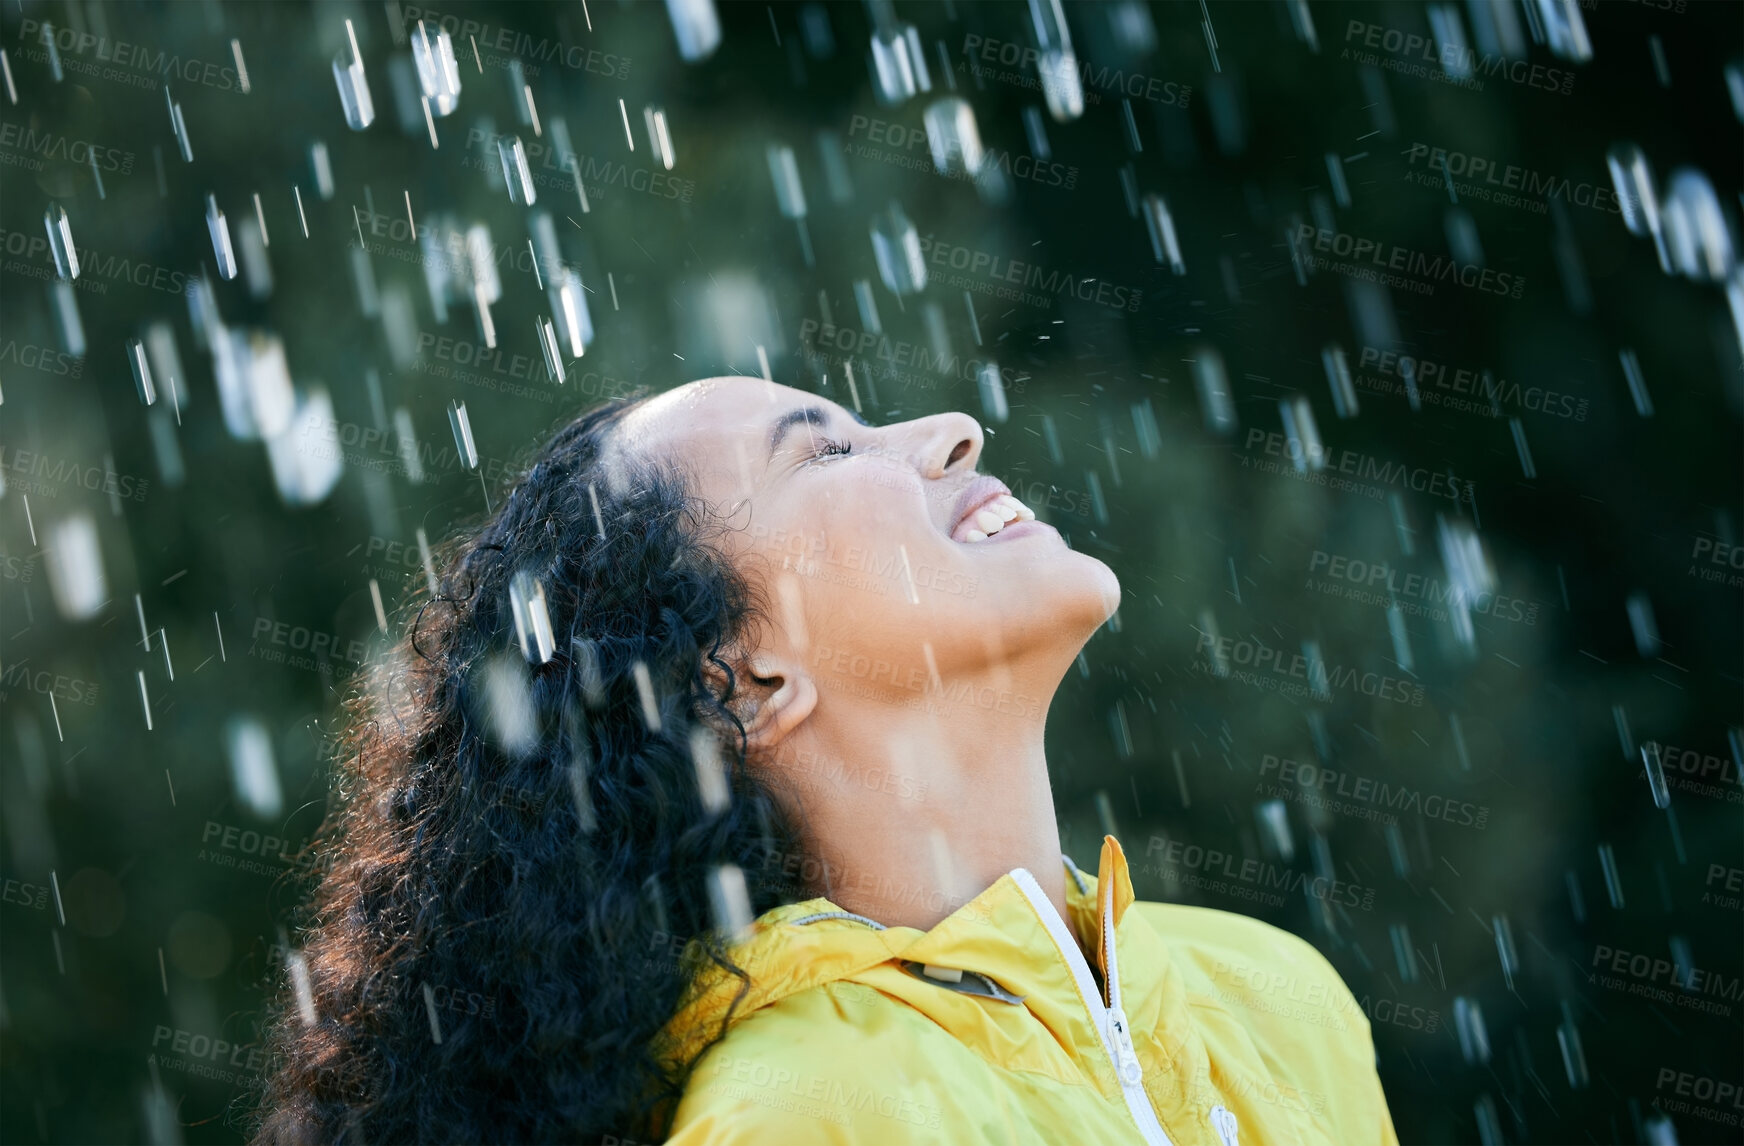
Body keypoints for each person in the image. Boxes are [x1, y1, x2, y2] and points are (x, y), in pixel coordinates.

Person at [254, 377, 1399, 1145]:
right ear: (744, 684)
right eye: (826, 451)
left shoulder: (1280, 994)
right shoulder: (806, 1115)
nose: (953, 430)